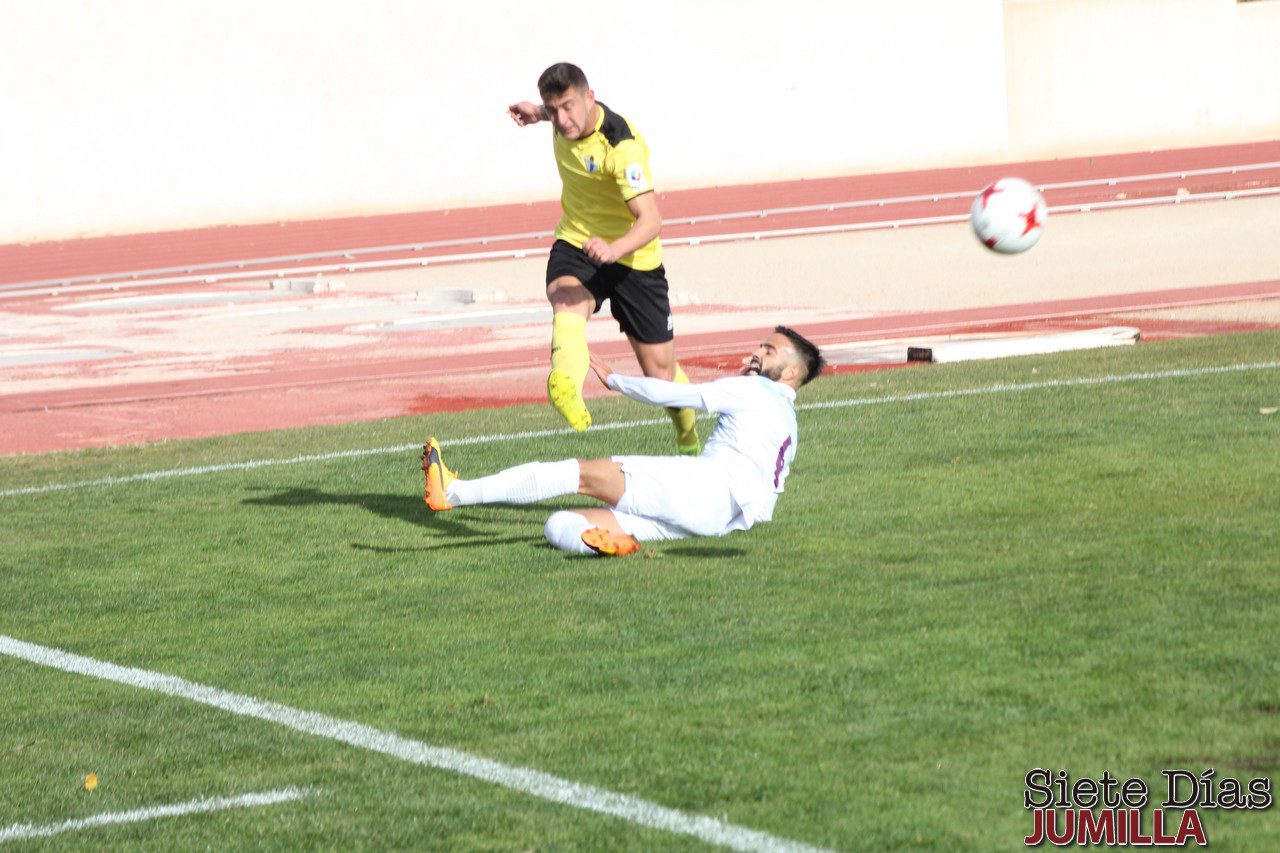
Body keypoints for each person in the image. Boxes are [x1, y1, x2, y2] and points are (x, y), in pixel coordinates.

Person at [420, 327, 825, 557]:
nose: (756, 353)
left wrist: (616, 381)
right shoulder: (788, 418)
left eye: (768, 351)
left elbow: (679, 394)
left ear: (790, 373)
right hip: (718, 521)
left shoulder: (754, 391)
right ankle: (613, 546)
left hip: (708, 486)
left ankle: (453, 493)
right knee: (559, 524)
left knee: (578, 474)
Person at [507, 62, 701, 455]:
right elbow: (557, 111)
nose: (561, 120)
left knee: (660, 376)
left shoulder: (621, 147)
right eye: (553, 109)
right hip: (578, 240)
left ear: (590, 98)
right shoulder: (561, 116)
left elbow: (651, 220)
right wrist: (536, 112)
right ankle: (567, 385)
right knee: (566, 299)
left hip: (633, 258)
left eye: (567, 108)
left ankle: (688, 437)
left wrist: (614, 250)